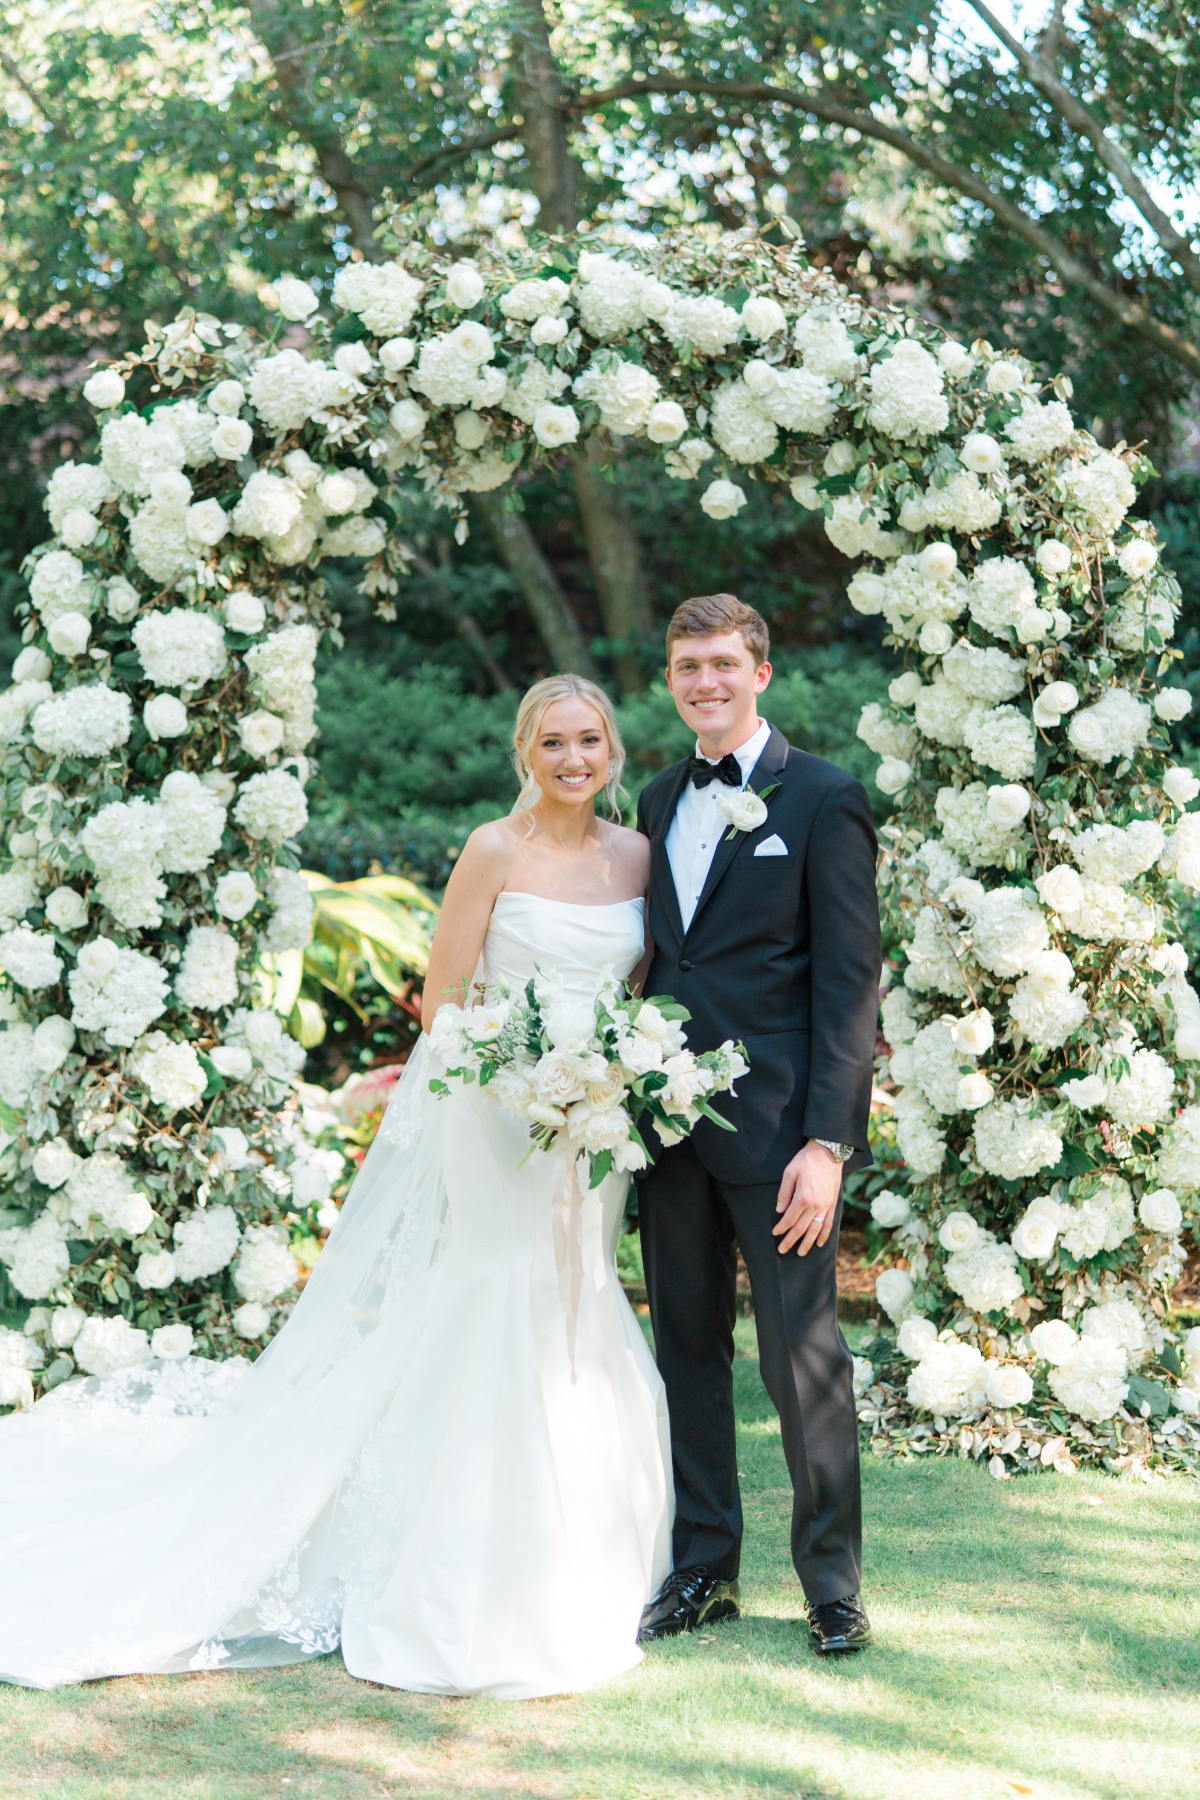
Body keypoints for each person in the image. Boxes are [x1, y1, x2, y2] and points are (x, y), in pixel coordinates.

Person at [0, 675, 672, 1698]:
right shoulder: (495, 847)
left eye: (589, 740)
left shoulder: (639, 859)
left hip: (595, 1125)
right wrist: (523, 1084)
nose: (573, 758)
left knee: (576, 1294)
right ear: (524, 752)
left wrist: (607, 1083)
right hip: (497, 1111)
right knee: (497, 1285)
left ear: (614, 752)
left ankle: (587, 1541)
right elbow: (447, 998)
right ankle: (457, 1547)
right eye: (553, 742)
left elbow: (635, 993)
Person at [634, 594, 882, 1657]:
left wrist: (829, 1146)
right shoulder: (652, 798)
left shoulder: (824, 798)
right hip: (664, 1135)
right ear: (674, 678)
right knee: (684, 1351)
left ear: (762, 673)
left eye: (725, 663)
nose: (707, 682)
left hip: (782, 1141)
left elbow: (851, 985)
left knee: (801, 1360)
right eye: (689, 665)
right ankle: (703, 1571)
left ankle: (832, 1588)